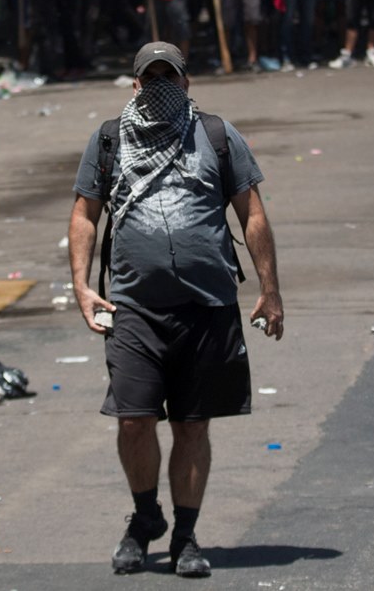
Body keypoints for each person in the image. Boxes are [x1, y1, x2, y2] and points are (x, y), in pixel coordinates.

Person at [68, 42, 283, 579]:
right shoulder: (110, 138)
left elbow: (251, 212)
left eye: (171, 75)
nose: (161, 84)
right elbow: (84, 214)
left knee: (192, 424)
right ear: (135, 84)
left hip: (207, 306)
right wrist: (79, 284)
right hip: (135, 308)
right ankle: (145, 519)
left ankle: (185, 536)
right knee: (134, 418)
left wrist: (270, 288)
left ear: (186, 83)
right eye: (151, 76)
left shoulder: (215, 134)